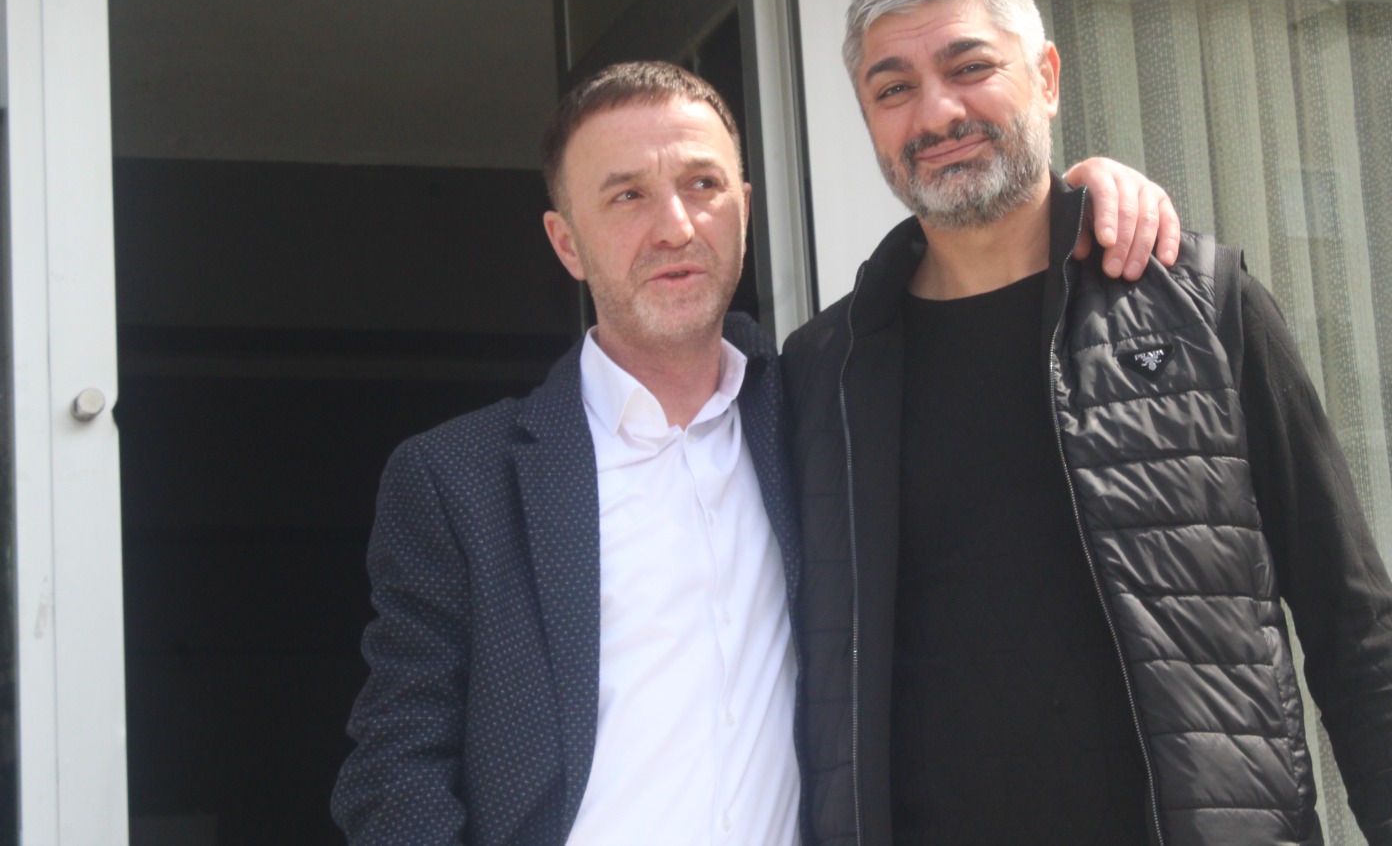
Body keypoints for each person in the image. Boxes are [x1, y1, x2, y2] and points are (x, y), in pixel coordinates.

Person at [331, 60, 1177, 845]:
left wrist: (1077, 200)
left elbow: (975, 307)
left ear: (743, 205)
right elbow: (397, 768)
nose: (674, 227)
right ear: (567, 243)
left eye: (702, 185)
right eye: (626, 196)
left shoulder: (824, 407)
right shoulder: (460, 479)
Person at [782, 0, 1392, 846]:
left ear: (1047, 78)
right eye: (893, 88)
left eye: (970, 67)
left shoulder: (1203, 306)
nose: (937, 112)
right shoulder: (823, 372)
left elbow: (1352, 620)